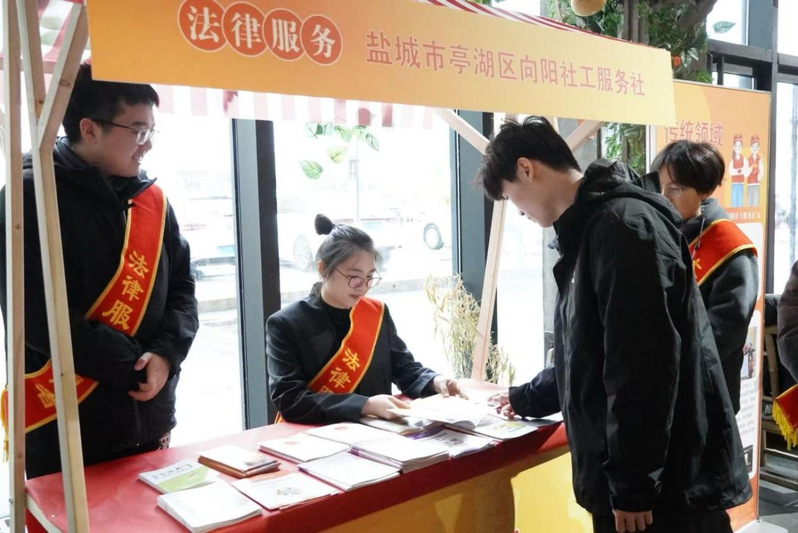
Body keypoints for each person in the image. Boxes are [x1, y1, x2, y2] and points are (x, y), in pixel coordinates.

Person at [480, 117, 750, 533]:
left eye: (510, 196)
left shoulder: (622, 227)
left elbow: (642, 367)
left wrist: (633, 486)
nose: (518, 211)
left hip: (664, 488)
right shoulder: (593, 226)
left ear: (526, 169)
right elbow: (588, 351)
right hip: (644, 479)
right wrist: (528, 397)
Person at [0, 64, 199, 478]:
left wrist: (166, 354)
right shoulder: (29, 196)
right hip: (68, 425)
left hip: (150, 414)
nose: (147, 146)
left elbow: (183, 286)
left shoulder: (152, 200)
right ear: (89, 129)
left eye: (152, 131)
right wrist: (132, 366)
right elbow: (34, 316)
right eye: (138, 131)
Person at [267, 214, 462, 424]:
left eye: (369, 277)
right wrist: (365, 405)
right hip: (314, 435)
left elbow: (403, 367)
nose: (363, 286)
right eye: (354, 277)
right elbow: (290, 400)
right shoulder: (286, 324)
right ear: (323, 268)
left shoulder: (376, 312)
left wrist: (434, 381)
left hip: (377, 435)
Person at [651, 141, 758, 413]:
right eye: (659, 187)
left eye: (675, 189)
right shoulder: (662, 232)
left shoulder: (733, 250)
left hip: (705, 395)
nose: (664, 197)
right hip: (662, 389)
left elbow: (723, 334)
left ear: (705, 191)